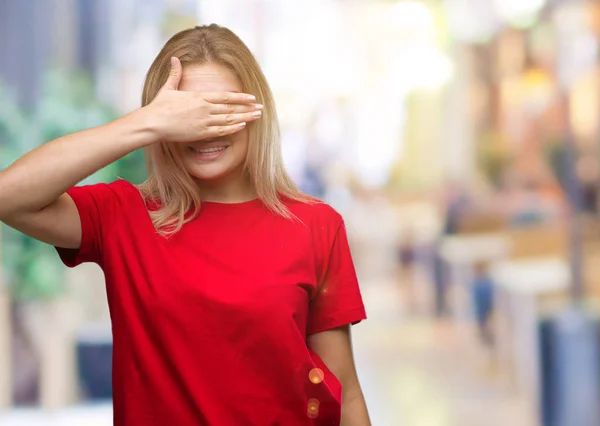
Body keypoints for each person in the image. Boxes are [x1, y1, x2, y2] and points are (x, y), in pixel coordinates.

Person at [0, 25, 370, 425]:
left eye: (221, 110)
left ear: (256, 111)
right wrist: (145, 124)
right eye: (186, 115)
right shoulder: (123, 215)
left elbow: (343, 386)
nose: (204, 129)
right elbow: (9, 196)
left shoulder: (316, 225)